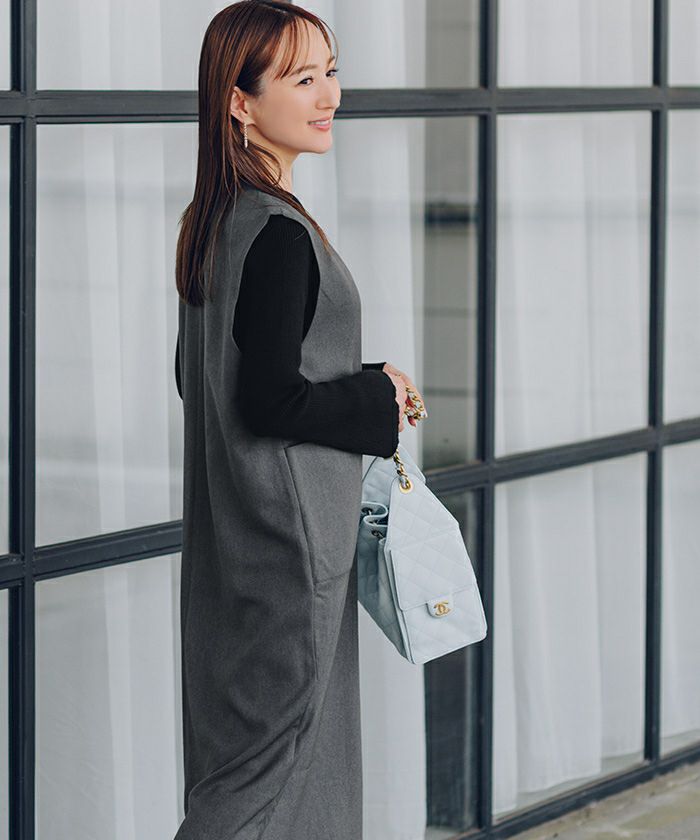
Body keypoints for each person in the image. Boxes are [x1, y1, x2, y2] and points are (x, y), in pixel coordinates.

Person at [173, 2, 426, 837]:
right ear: (239, 102)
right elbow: (269, 400)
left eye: (331, 72)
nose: (329, 96)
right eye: (303, 78)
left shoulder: (217, 220)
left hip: (238, 543)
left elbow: (206, 378)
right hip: (291, 547)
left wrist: (363, 380)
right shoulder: (276, 231)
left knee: (256, 769)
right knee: (267, 779)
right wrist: (376, 402)